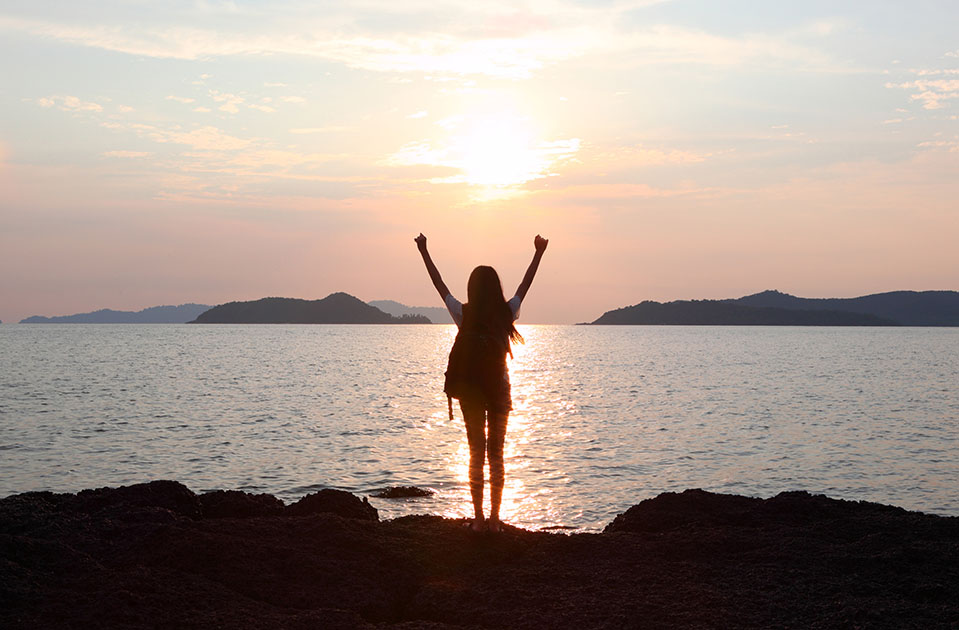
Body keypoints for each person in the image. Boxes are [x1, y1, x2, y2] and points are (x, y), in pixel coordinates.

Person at [415, 233, 548, 533]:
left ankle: (477, 521)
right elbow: (525, 286)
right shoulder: (506, 312)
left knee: (476, 453)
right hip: (499, 392)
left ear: (472, 289)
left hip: (472, 393)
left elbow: (439, 285)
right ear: (496, 288)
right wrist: (538, 253)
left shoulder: (464, 313)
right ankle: (496, 522)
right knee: (496, 455)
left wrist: (424, 250)